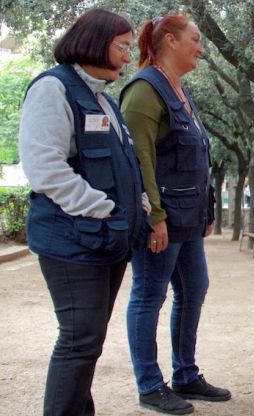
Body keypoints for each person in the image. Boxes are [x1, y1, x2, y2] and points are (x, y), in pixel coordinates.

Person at [18, 9, 150, 416]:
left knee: (89, 340)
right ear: (95, 41)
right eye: (123, 46)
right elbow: (46, 169)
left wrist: (139, 204)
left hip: (106, 238)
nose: (128, 57)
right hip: (71, 239)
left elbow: (126, 166)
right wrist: (106, 210)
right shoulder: (52, 88)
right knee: (79, 339)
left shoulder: (102, 98)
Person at [120, 15, 229, 415]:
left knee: (194, 289)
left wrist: (207, 209)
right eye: (195, 39)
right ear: (170, 40)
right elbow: (138, 159)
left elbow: (197, 156)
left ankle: (186, 375)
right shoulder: (145, 90)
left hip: (188, 220)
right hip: (162, 221)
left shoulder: (180, 91)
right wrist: (155, 217)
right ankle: (150, 385)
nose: (201, 48)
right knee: (149, 296)